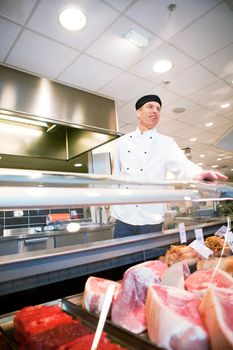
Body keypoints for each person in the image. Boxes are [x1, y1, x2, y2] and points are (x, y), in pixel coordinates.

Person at [110, 94, 228, 238]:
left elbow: (184, 165)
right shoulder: (121, 142)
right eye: (150, 107)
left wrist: (199, 174)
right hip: (124, 217)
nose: (155, 111)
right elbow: (115, 178)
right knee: (121, 260)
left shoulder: (165, 143)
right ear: (138, 112)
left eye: (158, 109)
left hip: (151, 219)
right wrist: (112, 208)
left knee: (152, 259)